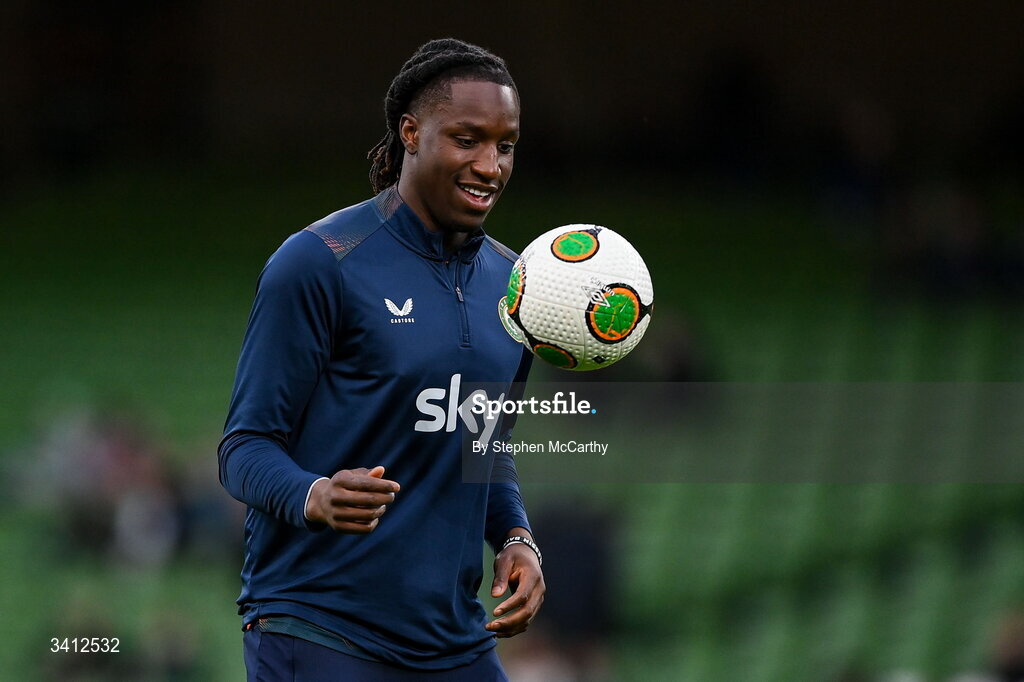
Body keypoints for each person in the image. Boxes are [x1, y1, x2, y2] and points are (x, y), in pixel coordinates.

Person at [218, 38, 545, 681]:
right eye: (467, 139)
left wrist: (515, 538)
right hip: (319, 627)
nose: (490, 165)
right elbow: (244, 448)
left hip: (454, 640)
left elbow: (482, 442)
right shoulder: (321, 261)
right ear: (410, 132)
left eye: (504, 146)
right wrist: (312, 494)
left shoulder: (518, 287)